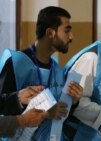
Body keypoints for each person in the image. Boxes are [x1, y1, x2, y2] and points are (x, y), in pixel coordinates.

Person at [0, 6, 83, 140]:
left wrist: (73, 102)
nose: (71, 36)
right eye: (67, 31)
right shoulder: (17, 62)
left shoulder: (57, 69)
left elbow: (60, 113)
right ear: (50, 33)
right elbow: (3, 107)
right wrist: (45, 111)